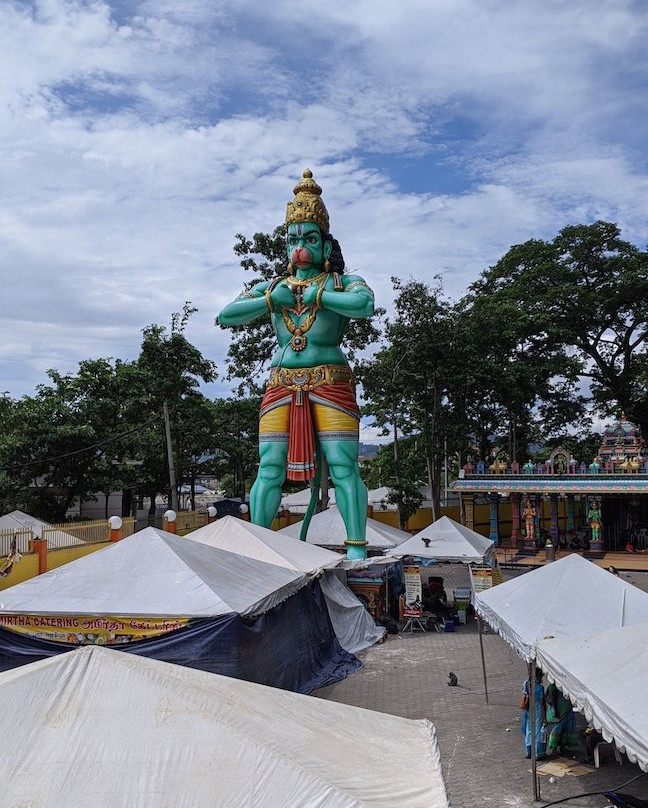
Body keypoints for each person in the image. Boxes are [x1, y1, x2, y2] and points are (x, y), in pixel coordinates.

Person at [217, 169, 375, 559]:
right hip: (281, 383)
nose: (300, 247)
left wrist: (316, 296)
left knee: (343, 467)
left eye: (309, 239)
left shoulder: (341, 283)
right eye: (293, 240)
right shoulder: (272, 288)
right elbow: (227, 314)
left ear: (325, 246)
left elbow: (364, 305)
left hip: (330, 381)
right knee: (269, 467)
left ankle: (356, 549)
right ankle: (257, 547)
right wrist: (273, 300)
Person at [545, 682, 580, 756]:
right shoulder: (554, 683)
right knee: (557, 730)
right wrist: (555, 710)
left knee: (566, 728)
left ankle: (562, 746)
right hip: (560, 710)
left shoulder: (565, 681)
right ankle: (553, 748)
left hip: (567, 709)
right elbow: (552, 694)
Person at [520, 668, 547, 760]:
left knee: (529, 730)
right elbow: (542, 703)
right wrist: (545, 717)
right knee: (538, 731)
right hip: (538, 710)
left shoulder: (525, 684)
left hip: (528, 710)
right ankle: (538, 753)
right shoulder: (540, 688)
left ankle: (528, 751)